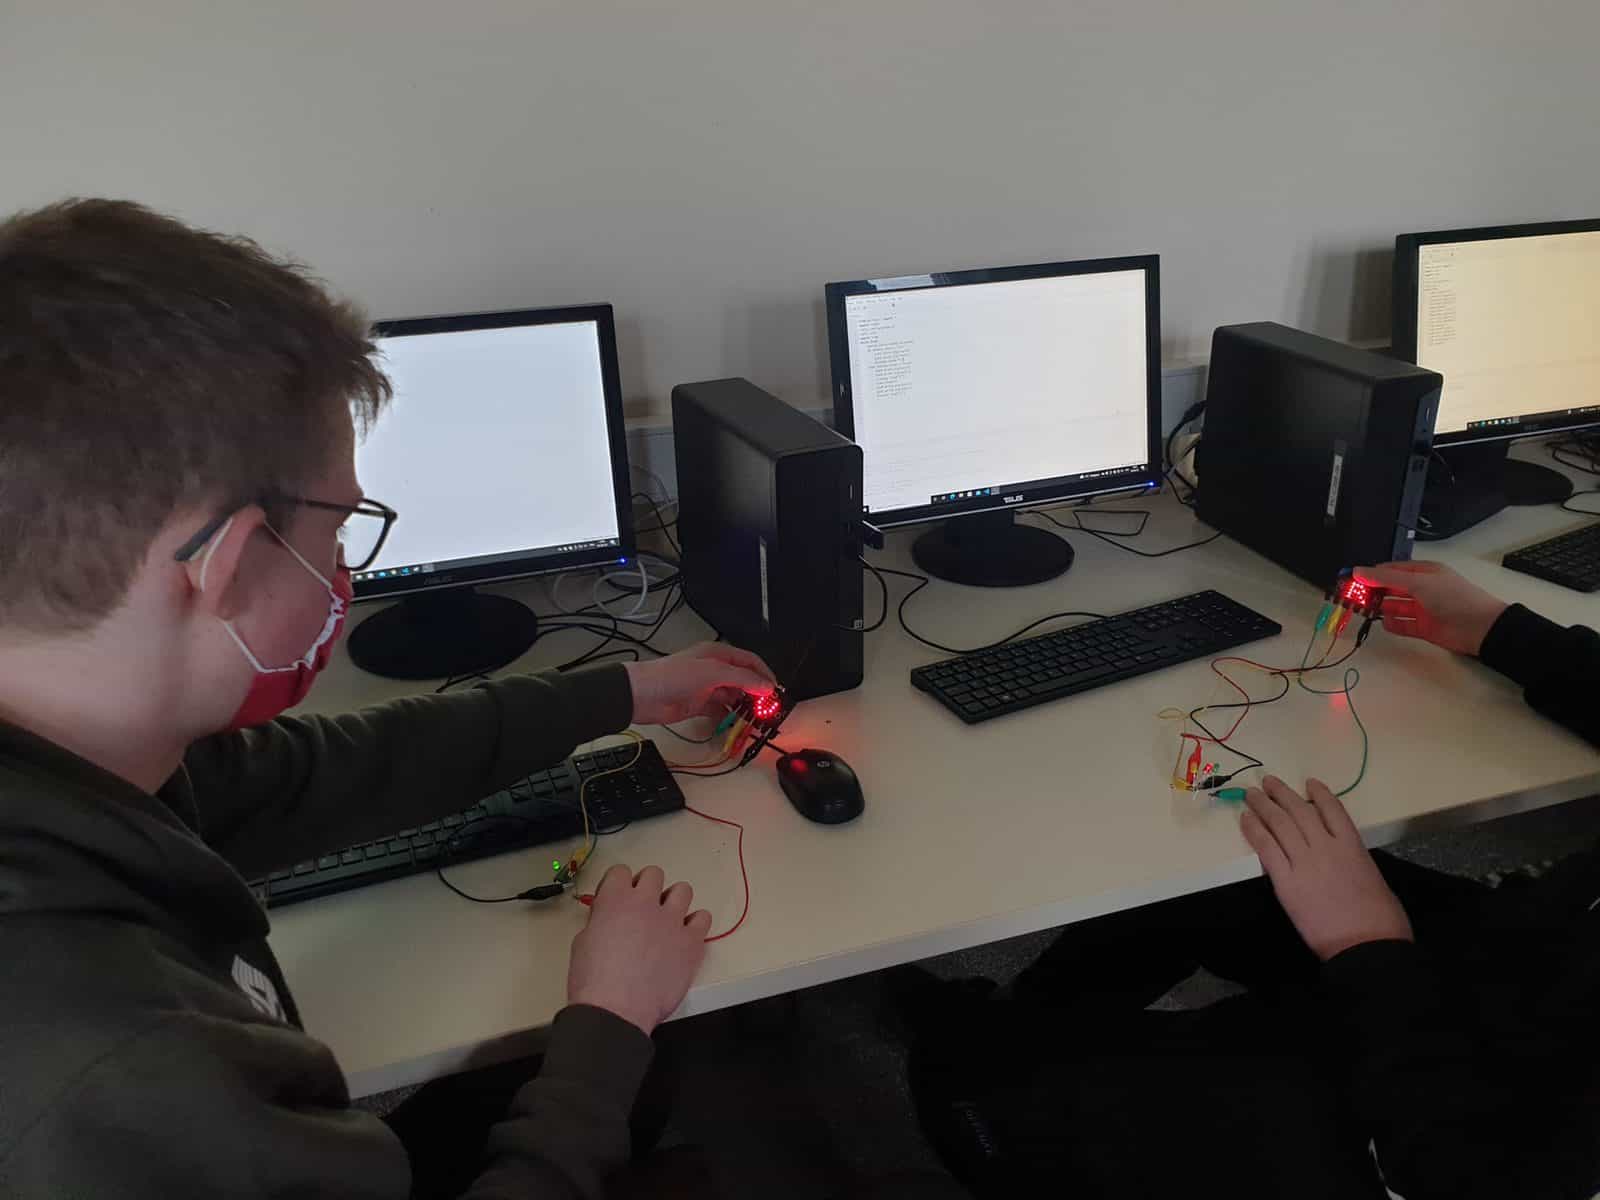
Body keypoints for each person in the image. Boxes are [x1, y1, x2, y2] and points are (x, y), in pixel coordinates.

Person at [0, 199, 776, 1199]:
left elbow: (314, 775)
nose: (345, 569)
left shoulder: (88, 755)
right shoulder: (121, 1083)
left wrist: (625, 691)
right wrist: (609, 1022)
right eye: (340, 529)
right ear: (230, 564)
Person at [905, 560, 1600, 1199]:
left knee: (987, 1094)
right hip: (1533, 957)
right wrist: (1503, 631)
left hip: (1456, 1126)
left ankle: (986, 1083)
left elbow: (1466, 1172)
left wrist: (1366, 946)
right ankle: (1020, 1023)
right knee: (1219, 869)